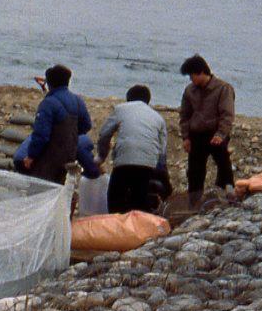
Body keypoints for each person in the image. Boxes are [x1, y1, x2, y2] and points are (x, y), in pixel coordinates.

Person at [12, 64, 102, 185]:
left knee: (40, 190)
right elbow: (86, 125)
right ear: (68, 82)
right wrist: (70, 136)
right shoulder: (78, 101)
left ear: (49, 83)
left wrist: (31, 156)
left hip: (49, 157)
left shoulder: (48, 103)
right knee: (59, 188)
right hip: (68, 156)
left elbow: (41, 135)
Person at [94, 83, 170, 213]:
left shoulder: (121, 109)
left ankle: (116, 225)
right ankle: (137, 228)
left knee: (116, 196)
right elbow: (162, 150)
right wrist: (160, 169)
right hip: (148, 164)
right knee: (139, 198)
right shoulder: (158, 117)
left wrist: (102, 156)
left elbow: (105, 134)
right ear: (148, 100)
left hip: (124, 160)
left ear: (128, 98)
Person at [178, 54, 237, 201]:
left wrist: (221, 134)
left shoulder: (223, 88)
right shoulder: (189, 91)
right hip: (196, 135)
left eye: (192, 76)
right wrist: (186, 137)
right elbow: (184, 115)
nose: (191, 80)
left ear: (201, 72)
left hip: (215, 134)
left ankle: (228, 196)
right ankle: (194, 204)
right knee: (194, 173)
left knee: (224, 166)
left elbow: (227, 114)